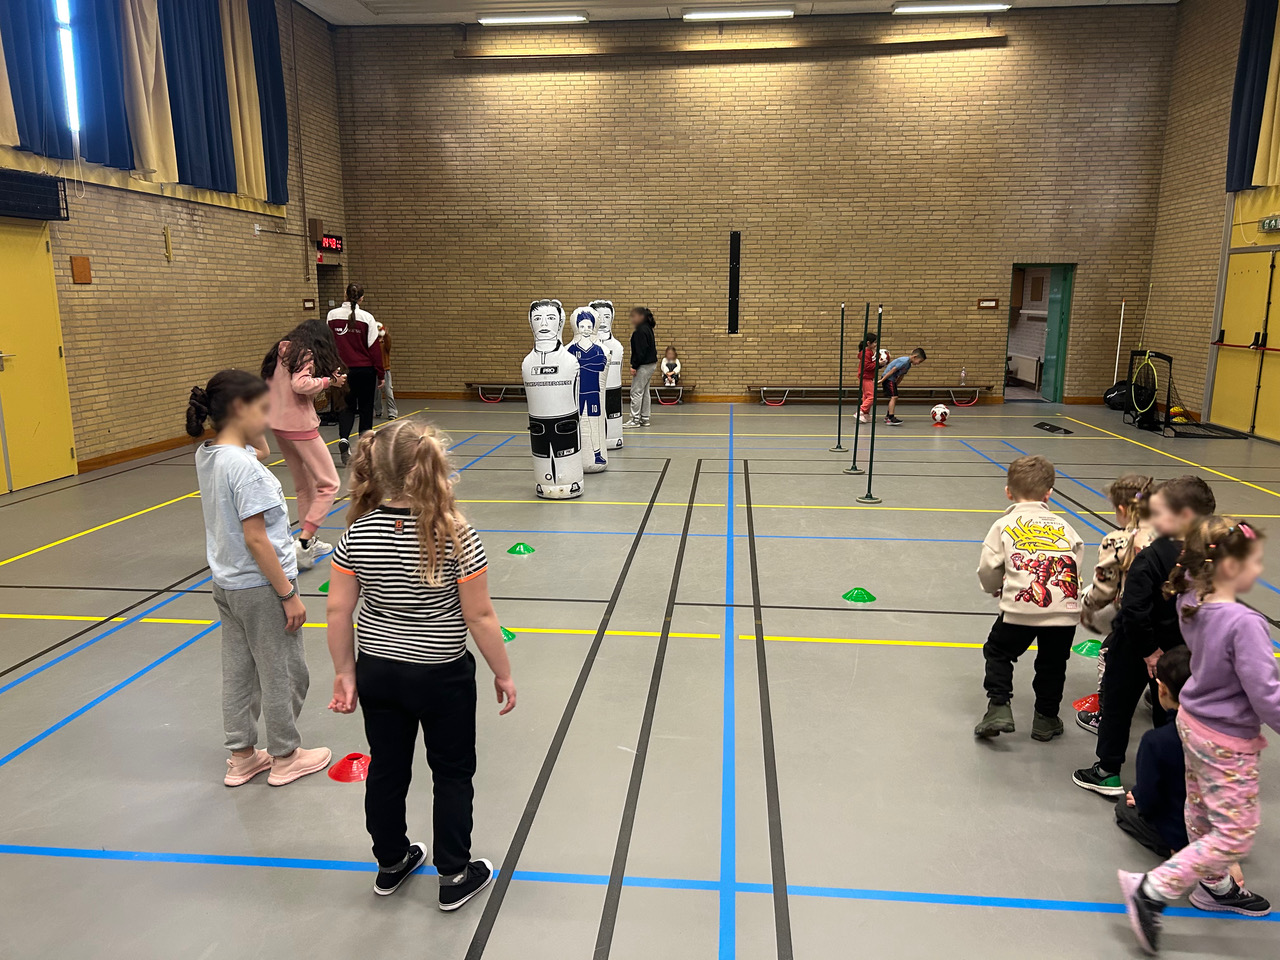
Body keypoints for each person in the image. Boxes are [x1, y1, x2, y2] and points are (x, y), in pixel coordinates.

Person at [325, 419, 517, 910]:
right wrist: (503, 671)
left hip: (379, 672)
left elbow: (338, 610)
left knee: (387, 768)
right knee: (452, 772)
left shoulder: (355, 534)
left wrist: (346, 672)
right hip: (442, 675)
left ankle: (391, 862)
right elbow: (479, 615)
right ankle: (454, 874)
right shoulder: (455, 534)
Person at [1119, 517, 1277, 954]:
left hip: (1194, 723)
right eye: (1254, 560)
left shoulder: (1191, 598)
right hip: (1228, 738)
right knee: (1234, 833)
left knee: (1202, 810)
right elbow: (1265, 693)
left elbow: (1188, 572)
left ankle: (1214, 886)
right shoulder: (1244, 622)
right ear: (1228, 567)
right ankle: (1151, 889)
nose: (1260, 568)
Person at [185, 370, 332, 788]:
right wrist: (287, 594)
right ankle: (286, 755)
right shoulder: (248, 473)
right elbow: (257, 538)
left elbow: (257, 453)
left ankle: (242, 755)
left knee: (239, 671)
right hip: (262, 586)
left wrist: (256, 432)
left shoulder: (211, 455)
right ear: (238, 411)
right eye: (262, 410)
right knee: (284, 670)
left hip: (227, 586)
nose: (269, 417)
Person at [1074, 476, 1215, 796]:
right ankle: (1172, 775)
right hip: (1181, 647)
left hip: (1136, 644)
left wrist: (1149, 651)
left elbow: (1135, 608)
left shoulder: (1149, 556)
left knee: (1117, 703)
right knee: (1171, 709)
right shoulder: (1207, 554)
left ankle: (1107, 771)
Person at [974, 455, 1083, 741]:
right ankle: (1046, 719)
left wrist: (994, 587)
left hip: (1020, 608)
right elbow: (1076, 562)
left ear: (1008, 492)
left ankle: (998, 706)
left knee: (998, 652)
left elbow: (988, 568)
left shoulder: (1004, 525)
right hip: (1065, 609)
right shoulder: (1065, 527)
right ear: (1049, 493)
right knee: (1053, 663)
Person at [262, 319, 347, 571]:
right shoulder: (304, 353)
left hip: (278, 425)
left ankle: (307, 540)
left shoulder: (282, 352)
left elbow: (286, 387)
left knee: (304, 486)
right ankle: (305, 542)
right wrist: (328, 383)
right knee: (330, 483)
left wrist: (320, 379)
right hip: (299, 426)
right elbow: (299, 385)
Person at [1076, 475, 1157, 734]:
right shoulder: (1171, 533)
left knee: (1110, 657)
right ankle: (1161, 700)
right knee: (1161, 661)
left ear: (1121, 509)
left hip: (1132, 616)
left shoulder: (1118, 540)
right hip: (1167, 617)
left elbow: (1105, 588)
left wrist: (1086, 605)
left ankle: (1105, 714)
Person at [1114, 646, 1192, 858]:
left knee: (1123, 808)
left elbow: (1148, 798)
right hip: (1217, 824)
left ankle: (1178, 850)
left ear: (1162, 689)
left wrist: (1138, 797)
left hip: (1180, 828)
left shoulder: (1156, 741)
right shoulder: (1218, 731)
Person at [327, 282, 385, 465]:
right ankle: (365, 449)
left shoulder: (332, 315)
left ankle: (344, 439)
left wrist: (329, 369)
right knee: (366, 408)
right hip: (365, 370)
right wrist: (380, 374)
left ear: (345, 295)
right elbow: (374, 349)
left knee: (345, 406)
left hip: (342, 370)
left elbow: (328, 344)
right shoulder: (367, 318)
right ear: (361, 298)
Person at [624, 306, 658, 428]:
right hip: (651, 364)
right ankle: (645, 417)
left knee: (636, 391)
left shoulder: (640, 331)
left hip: (644, 365)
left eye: (634, 316)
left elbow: (640, 351)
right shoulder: (648, 329)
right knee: (644, 391)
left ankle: (635, 419)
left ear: (641, 317)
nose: (632, 319)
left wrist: (634, 365)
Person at [878, 347, 926, 426]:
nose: (918, 364)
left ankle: (888, 416)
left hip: (892, 380)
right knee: (894, 397)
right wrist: (882, 380)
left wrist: (896, 384)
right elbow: (892, 370)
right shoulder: (904, 361)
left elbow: (901, 375)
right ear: (915, 357)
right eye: (919, 361)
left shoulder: (908, 365)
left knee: (894, 397)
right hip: (888, 378)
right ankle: (891, 417)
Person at [373, 320, 399, 420]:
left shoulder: (385, 343)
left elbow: (388, 344)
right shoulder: (373, 344)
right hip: (375, 370)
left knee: (388, 391)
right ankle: (378, 411)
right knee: (376, 393)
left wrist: (386, 335)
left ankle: (392, 412)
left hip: (385, 370)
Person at [856, 333, 879, 423]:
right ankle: (861, 411)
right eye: (875, 342)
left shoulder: (869, 352)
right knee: (872, 396)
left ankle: (865, 414)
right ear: (869, 343)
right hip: (865, 377)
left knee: (866, 396)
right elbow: (867, 366)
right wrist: (877, 363)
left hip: (867, 376)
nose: (876, 344)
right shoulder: (865, 353)